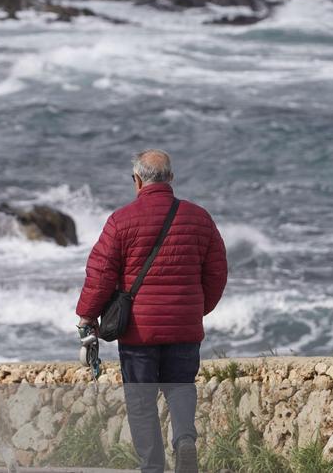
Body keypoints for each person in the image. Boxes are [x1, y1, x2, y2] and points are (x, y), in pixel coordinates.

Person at [76, 149, 228, 473]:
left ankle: (152, 468)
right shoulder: (199, 218)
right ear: (170, 179)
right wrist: (197, 310)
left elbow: (101, 274)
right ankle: (185, 441)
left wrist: (87, 316)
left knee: (142, 402)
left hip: (138, 333)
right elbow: (217, 273)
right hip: (185, 328)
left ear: (137, 181)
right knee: (181, 388)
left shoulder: (121, 220)